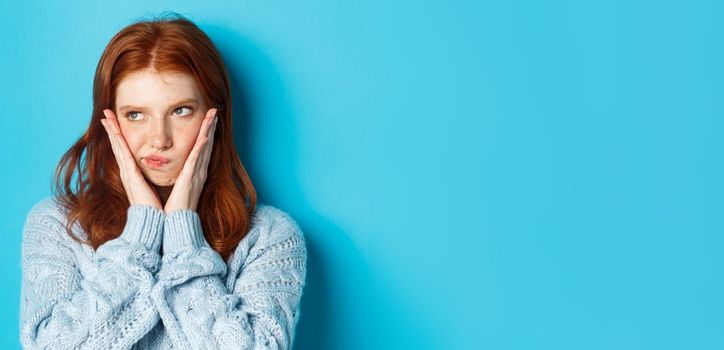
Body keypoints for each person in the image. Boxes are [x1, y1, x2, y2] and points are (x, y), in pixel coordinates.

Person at [19, 13, 307, 349]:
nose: (159, 139)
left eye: (181, 110)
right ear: (108, 120)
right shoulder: (59, 225)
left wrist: (184, 238)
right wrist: (140, 236)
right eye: (136, 114)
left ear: (214, 116)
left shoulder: (269, 237)